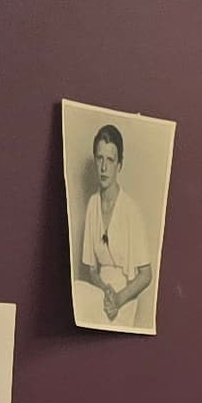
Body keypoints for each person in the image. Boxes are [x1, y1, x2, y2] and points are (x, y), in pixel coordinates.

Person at [72, 122, 155, 324]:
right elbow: (91, 269)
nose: (104, 167)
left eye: (110, 160)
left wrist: (117, 299)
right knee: (75, 290)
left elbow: (146, 275)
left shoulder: (131, 210)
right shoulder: (92, 204)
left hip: (124, 300)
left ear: (119, 165)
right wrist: (104, 288)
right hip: (101, 292)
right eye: (100, 158)